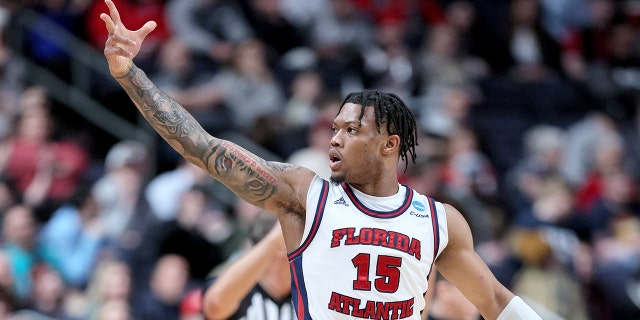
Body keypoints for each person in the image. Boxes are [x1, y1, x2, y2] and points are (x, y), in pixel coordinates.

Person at [98, 1, 542, 318]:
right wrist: (129, 73)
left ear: (390, 144)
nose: (335, 138)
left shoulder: (440, 221)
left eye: (352, 131)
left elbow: (497, 304)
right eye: (334, 128)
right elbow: (201, 146)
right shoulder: (306, 196)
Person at [202, 210, 294, 319]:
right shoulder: (240, 291)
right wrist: (275, 237)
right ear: (280, 245)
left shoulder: (309, 294)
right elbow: (214, 306)